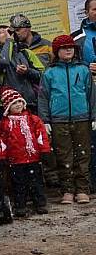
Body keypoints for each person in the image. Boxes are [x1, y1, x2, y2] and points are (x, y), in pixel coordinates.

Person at [38, 35, 96, 204]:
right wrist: (45, 120)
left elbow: (91, 95)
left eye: (71, 47)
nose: (68, 50)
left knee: (83, 155)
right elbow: (43, 97)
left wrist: (93, 116)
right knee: (64, 156)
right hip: (59, 120)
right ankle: (67, 190)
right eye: (64, 48)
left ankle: (83, 189)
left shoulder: (83, 69)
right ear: (57, 51)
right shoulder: (49, 72)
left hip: (82, 118)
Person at [0, 88, 50, 216]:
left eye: (20, 101)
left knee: (36, 182)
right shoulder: (4, 124)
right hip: (15, 159)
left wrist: (44, 150)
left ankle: (40, 203)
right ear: (7, 107)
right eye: (14, 103)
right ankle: (20, 205)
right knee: (19, 184)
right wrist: (2, 157)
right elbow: (1, 142)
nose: (18, 105)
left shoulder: (32, 119)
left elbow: (40, 135)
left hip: (33, 157)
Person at [71, 0, 96, 189]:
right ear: (86, 12)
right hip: (88, 91)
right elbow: (71, 64)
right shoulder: (77, 37)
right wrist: (87, 67)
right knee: (92, 136)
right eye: (94, 9)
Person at [0, 25, 43, 111]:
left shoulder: (26, 53)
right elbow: (4, 62)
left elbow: (42, 76)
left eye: (8, 31)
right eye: (2, 32)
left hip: (30, 103)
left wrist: (27, 71)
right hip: (8, 105)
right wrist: (9, 41)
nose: (6, 33)